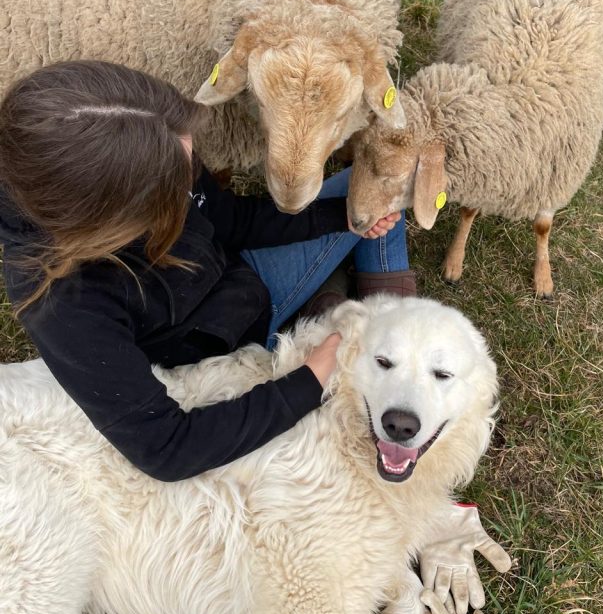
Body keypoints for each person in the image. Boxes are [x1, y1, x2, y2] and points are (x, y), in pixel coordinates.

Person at [0, 61, 415, 482]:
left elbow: (230, 219)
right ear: (111, 220)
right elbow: (167, 448)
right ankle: (367, 322)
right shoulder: (63, 304)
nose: (189, 177)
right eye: (172, 188)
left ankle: (379, 317)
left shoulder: (158, 137)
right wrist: (310, 379)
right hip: (226, 343)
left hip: (241, 278)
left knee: (374, 185)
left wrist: (339, 219)